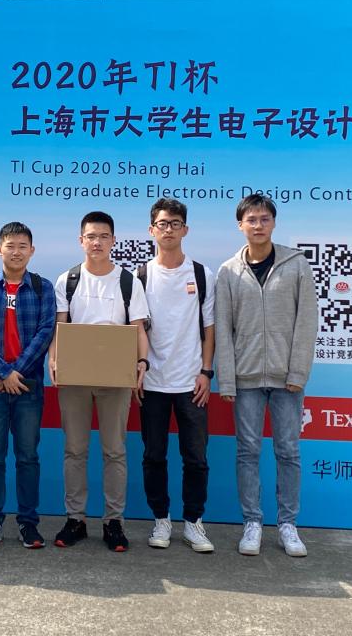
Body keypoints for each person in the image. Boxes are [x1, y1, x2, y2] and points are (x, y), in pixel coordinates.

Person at [215, 193, 318, 557]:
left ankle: (288, 524)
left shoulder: (296, 264)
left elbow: (307, 322)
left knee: (288, 451)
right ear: (240, 225)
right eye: (251, 220)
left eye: (264, 219)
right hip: (245, 379)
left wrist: (298, 371)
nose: (258, 225)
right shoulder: (228, 271)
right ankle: (252, 523)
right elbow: (223, 328)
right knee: (247, 451)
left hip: (286, 378)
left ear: (273, 223)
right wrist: (227, 380)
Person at [48, 211, 149, 552]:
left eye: (104, 236)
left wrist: (142, 362)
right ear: (81, 241)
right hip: (75, 377)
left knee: (114, 451)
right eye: (91, 236)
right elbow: (60, 326)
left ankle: (113, 522)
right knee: (74, 449)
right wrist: (54, 359)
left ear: (113, 241)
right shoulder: (68, 280)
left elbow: (138, 328)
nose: (97, 242)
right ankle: (75, 519)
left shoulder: (128, 281)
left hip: (115, 377)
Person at [0, 222, 56, 549]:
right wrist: (3, 371)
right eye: (10, 245)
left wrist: (15, 372)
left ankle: (28, 523)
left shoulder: (42, 288)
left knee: (27, 457)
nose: (16, 252)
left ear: (31, 251)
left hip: (28, 387)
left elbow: (46, 331)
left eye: (22, 246)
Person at [138, 198, 216, 553]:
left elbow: (209, 329)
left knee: (196, 458)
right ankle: (161, 519)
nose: (168, 229)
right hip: (152, 382)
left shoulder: (201, 275)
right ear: (151, 230)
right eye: (162, 224)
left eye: (175, 223)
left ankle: (194, 522)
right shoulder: (140, 276)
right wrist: (137, 369)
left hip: (191, 383)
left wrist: (206, 372)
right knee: (153, 455)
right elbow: (135, 328)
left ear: (185, 229)